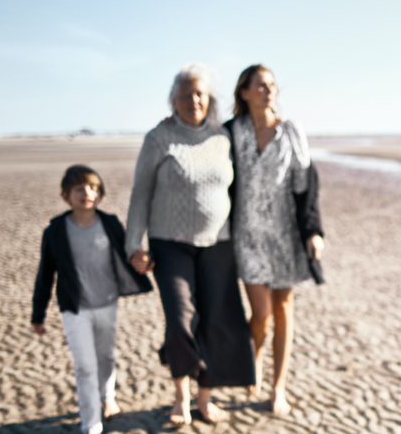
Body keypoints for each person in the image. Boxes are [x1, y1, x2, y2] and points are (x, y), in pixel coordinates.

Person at [125, 63, 255, 425]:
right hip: (170, 244)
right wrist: (134, 244)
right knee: (181, 320)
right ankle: (180, 396)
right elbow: (140, 195)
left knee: (215, 320)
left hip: (219, 244)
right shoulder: (158, 138)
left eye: (200, 93)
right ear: (174, 100)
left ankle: (203, 397)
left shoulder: (222, 136)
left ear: (209, 99)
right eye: (186, 94)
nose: (194, 100)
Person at [225, 64, 325, 415]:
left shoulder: (291, 131)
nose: (268, 90)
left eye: (271, 85)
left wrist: (313, 231)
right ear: (244, 92)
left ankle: (277, 387)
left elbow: (307, 184)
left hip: (285, 234)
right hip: (247, 234)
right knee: (261, 313)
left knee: (282, 308)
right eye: (260, 85)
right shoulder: (231, 132)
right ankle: (251, 360)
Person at [31, 165, 153, 434]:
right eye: (79, 189)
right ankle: (91, 424)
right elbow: (45, 274)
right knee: (85, 366)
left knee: (106, 356)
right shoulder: (55, 231)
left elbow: (128, 254)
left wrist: (145, 261)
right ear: (65, 196)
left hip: (108, 303)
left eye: (94, 188)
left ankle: (107, 398)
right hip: (75, 308)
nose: (87, 193)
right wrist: (37, 315)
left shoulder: (109, 223)